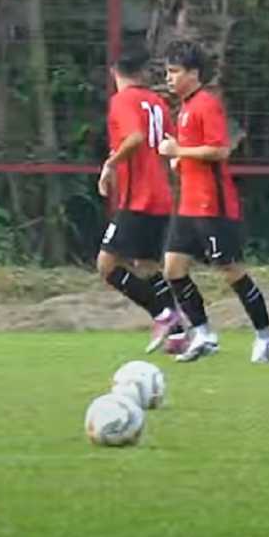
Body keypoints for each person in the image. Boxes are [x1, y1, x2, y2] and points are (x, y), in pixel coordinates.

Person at [157, 40, 269, 363]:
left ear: (193, 74)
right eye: (167, 72)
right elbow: (197, 155)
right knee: (173, 268)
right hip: (189, 204)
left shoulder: (205, 104)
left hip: (213, 204)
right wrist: (179, 161)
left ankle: (266, 335)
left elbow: (220, 150)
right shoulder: (185, 109)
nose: (169, 78)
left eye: (174, 71)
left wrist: (178, 152)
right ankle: (203, 334)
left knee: (230, 270)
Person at [96, 45, 185, 352]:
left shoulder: (123, 101)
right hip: (161, 196)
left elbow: (134, 138)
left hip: (138, 199)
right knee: (147, 266)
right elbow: (170, 144)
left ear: (114, 73)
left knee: (107, 266)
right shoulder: (157, 102)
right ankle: (178, 335)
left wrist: (111, 164)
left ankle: (163, 314)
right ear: (143, 72)